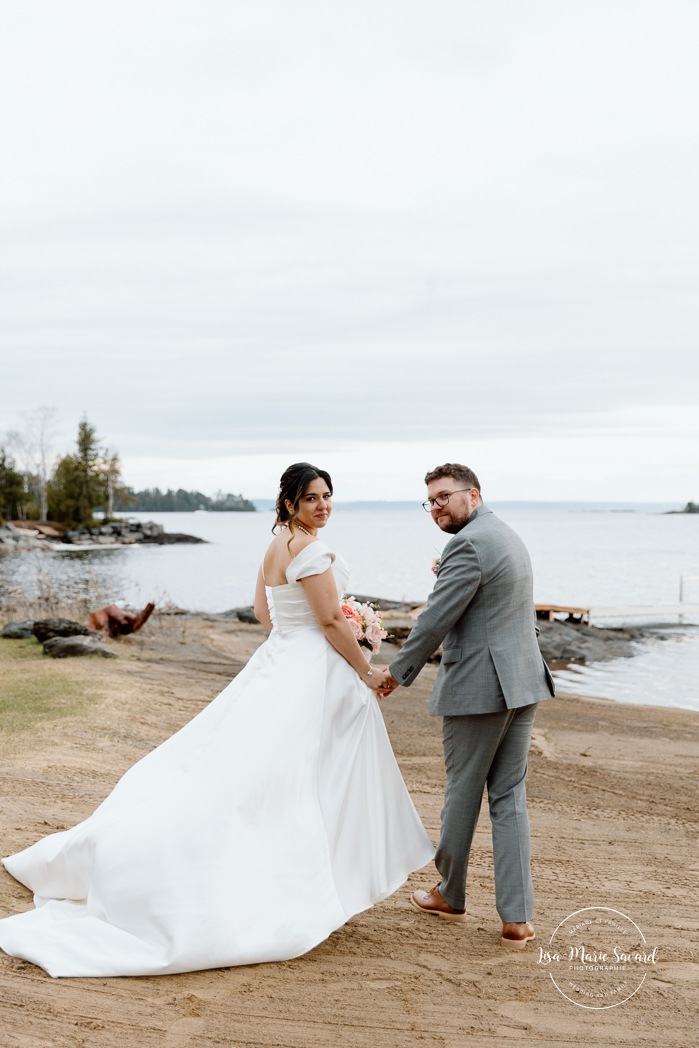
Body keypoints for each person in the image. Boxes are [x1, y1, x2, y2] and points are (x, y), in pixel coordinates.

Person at [0, 463, 434, 978]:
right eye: (312, 498)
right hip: (310, 672)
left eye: (328, 496)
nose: (323, 505)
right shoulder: (311, 550)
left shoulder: (277, 545)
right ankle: (305, 875)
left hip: (279, 661)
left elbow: (264, 614)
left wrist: (308, 636)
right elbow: (329, 619)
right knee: (297, 776)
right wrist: (364, 667)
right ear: (291, 503)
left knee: (245, 764)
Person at [373, 463, 555, 948]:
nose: (436, 508)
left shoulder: (468, 543)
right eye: (429, 501)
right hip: (523, 681)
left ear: (472, 495)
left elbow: (435, 620)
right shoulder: (506, 534)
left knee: (462, 791)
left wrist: (396, 672)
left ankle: (450, 895)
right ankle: (517, 919)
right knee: (509, 797)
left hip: (481, 688)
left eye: (444, 498)